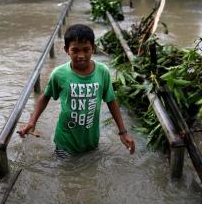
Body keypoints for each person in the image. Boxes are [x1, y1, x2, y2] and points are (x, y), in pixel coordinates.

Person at [18, 24, 135, 158]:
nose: (81, 55)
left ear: (93, 49)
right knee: (65, 174)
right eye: (75, 50)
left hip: (91, 141)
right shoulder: (59, 74)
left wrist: (122, 132)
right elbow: (45, 97)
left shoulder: (102, 71)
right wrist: (32, 122)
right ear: (67, 50)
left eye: (86, 50)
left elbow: (111, 100)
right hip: (65, 142)